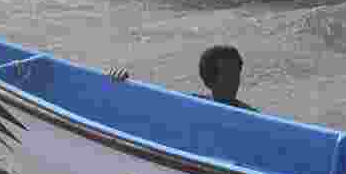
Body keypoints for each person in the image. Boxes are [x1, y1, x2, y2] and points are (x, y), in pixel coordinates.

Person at [109, 45, 257, 111]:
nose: (235, 81)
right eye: (227, 75)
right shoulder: (189, 105)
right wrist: (120, 87)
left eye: (236, 74)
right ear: (209, 80)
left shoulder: (251, 116)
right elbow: (145, 107)